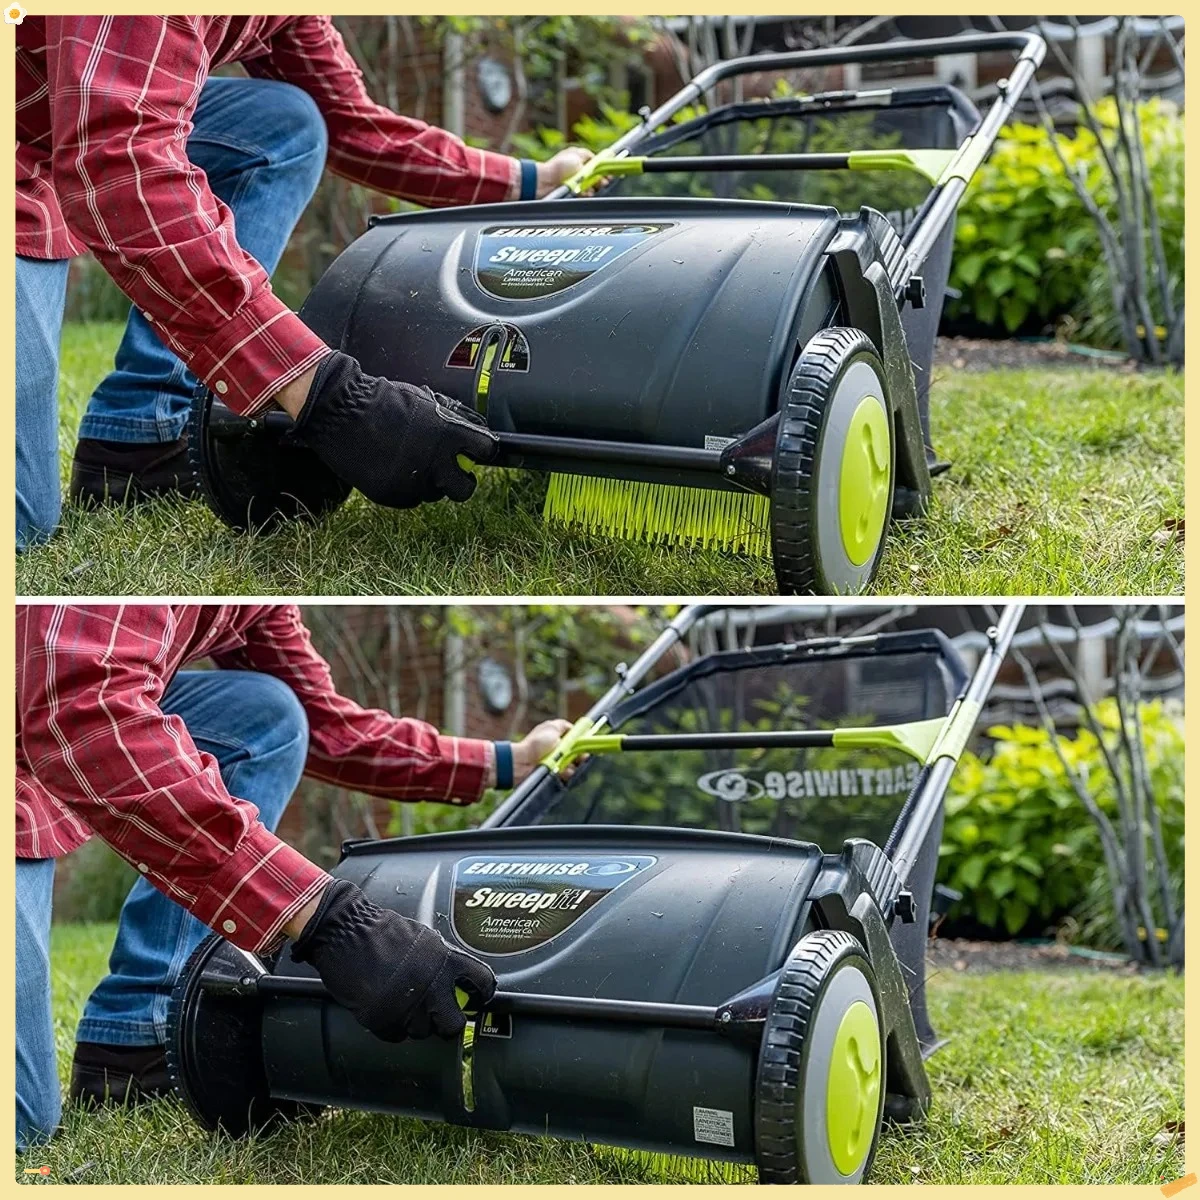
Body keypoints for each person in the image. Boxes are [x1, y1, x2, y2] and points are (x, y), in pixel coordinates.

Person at [15, 17, 592, 549]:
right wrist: (331, 396)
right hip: (35, 162)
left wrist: (531, 181)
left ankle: (140, 436)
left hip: (55, 126)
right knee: (21, 523)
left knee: (285, 124)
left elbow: (351, 126)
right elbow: (118, 168)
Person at [15, 603, 572, 1151]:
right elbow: (83, 709)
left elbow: (328, 726)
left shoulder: (255, 601)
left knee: (266, 713)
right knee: (21, 1129)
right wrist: (330, 922)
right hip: (42, 719)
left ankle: (136, 1037)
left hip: (37, 705)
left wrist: (509, 759)